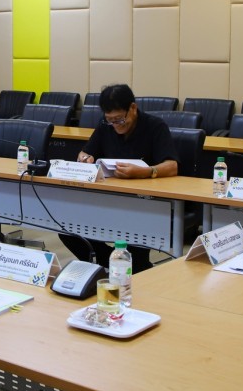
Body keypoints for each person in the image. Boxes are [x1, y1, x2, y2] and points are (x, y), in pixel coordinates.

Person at [62, 84, 178, 272]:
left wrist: (144, 172)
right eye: (111, 120)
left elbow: (172, 166)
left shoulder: (155, 126)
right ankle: (115, 262)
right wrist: (85, 159)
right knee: (66, 226)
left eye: (120, 119)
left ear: (133, 108)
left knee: (137, 261)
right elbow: (84, 153)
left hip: (144, 204)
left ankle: (133, 266)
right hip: (106, 199)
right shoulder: (105, 125)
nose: (116, 125)